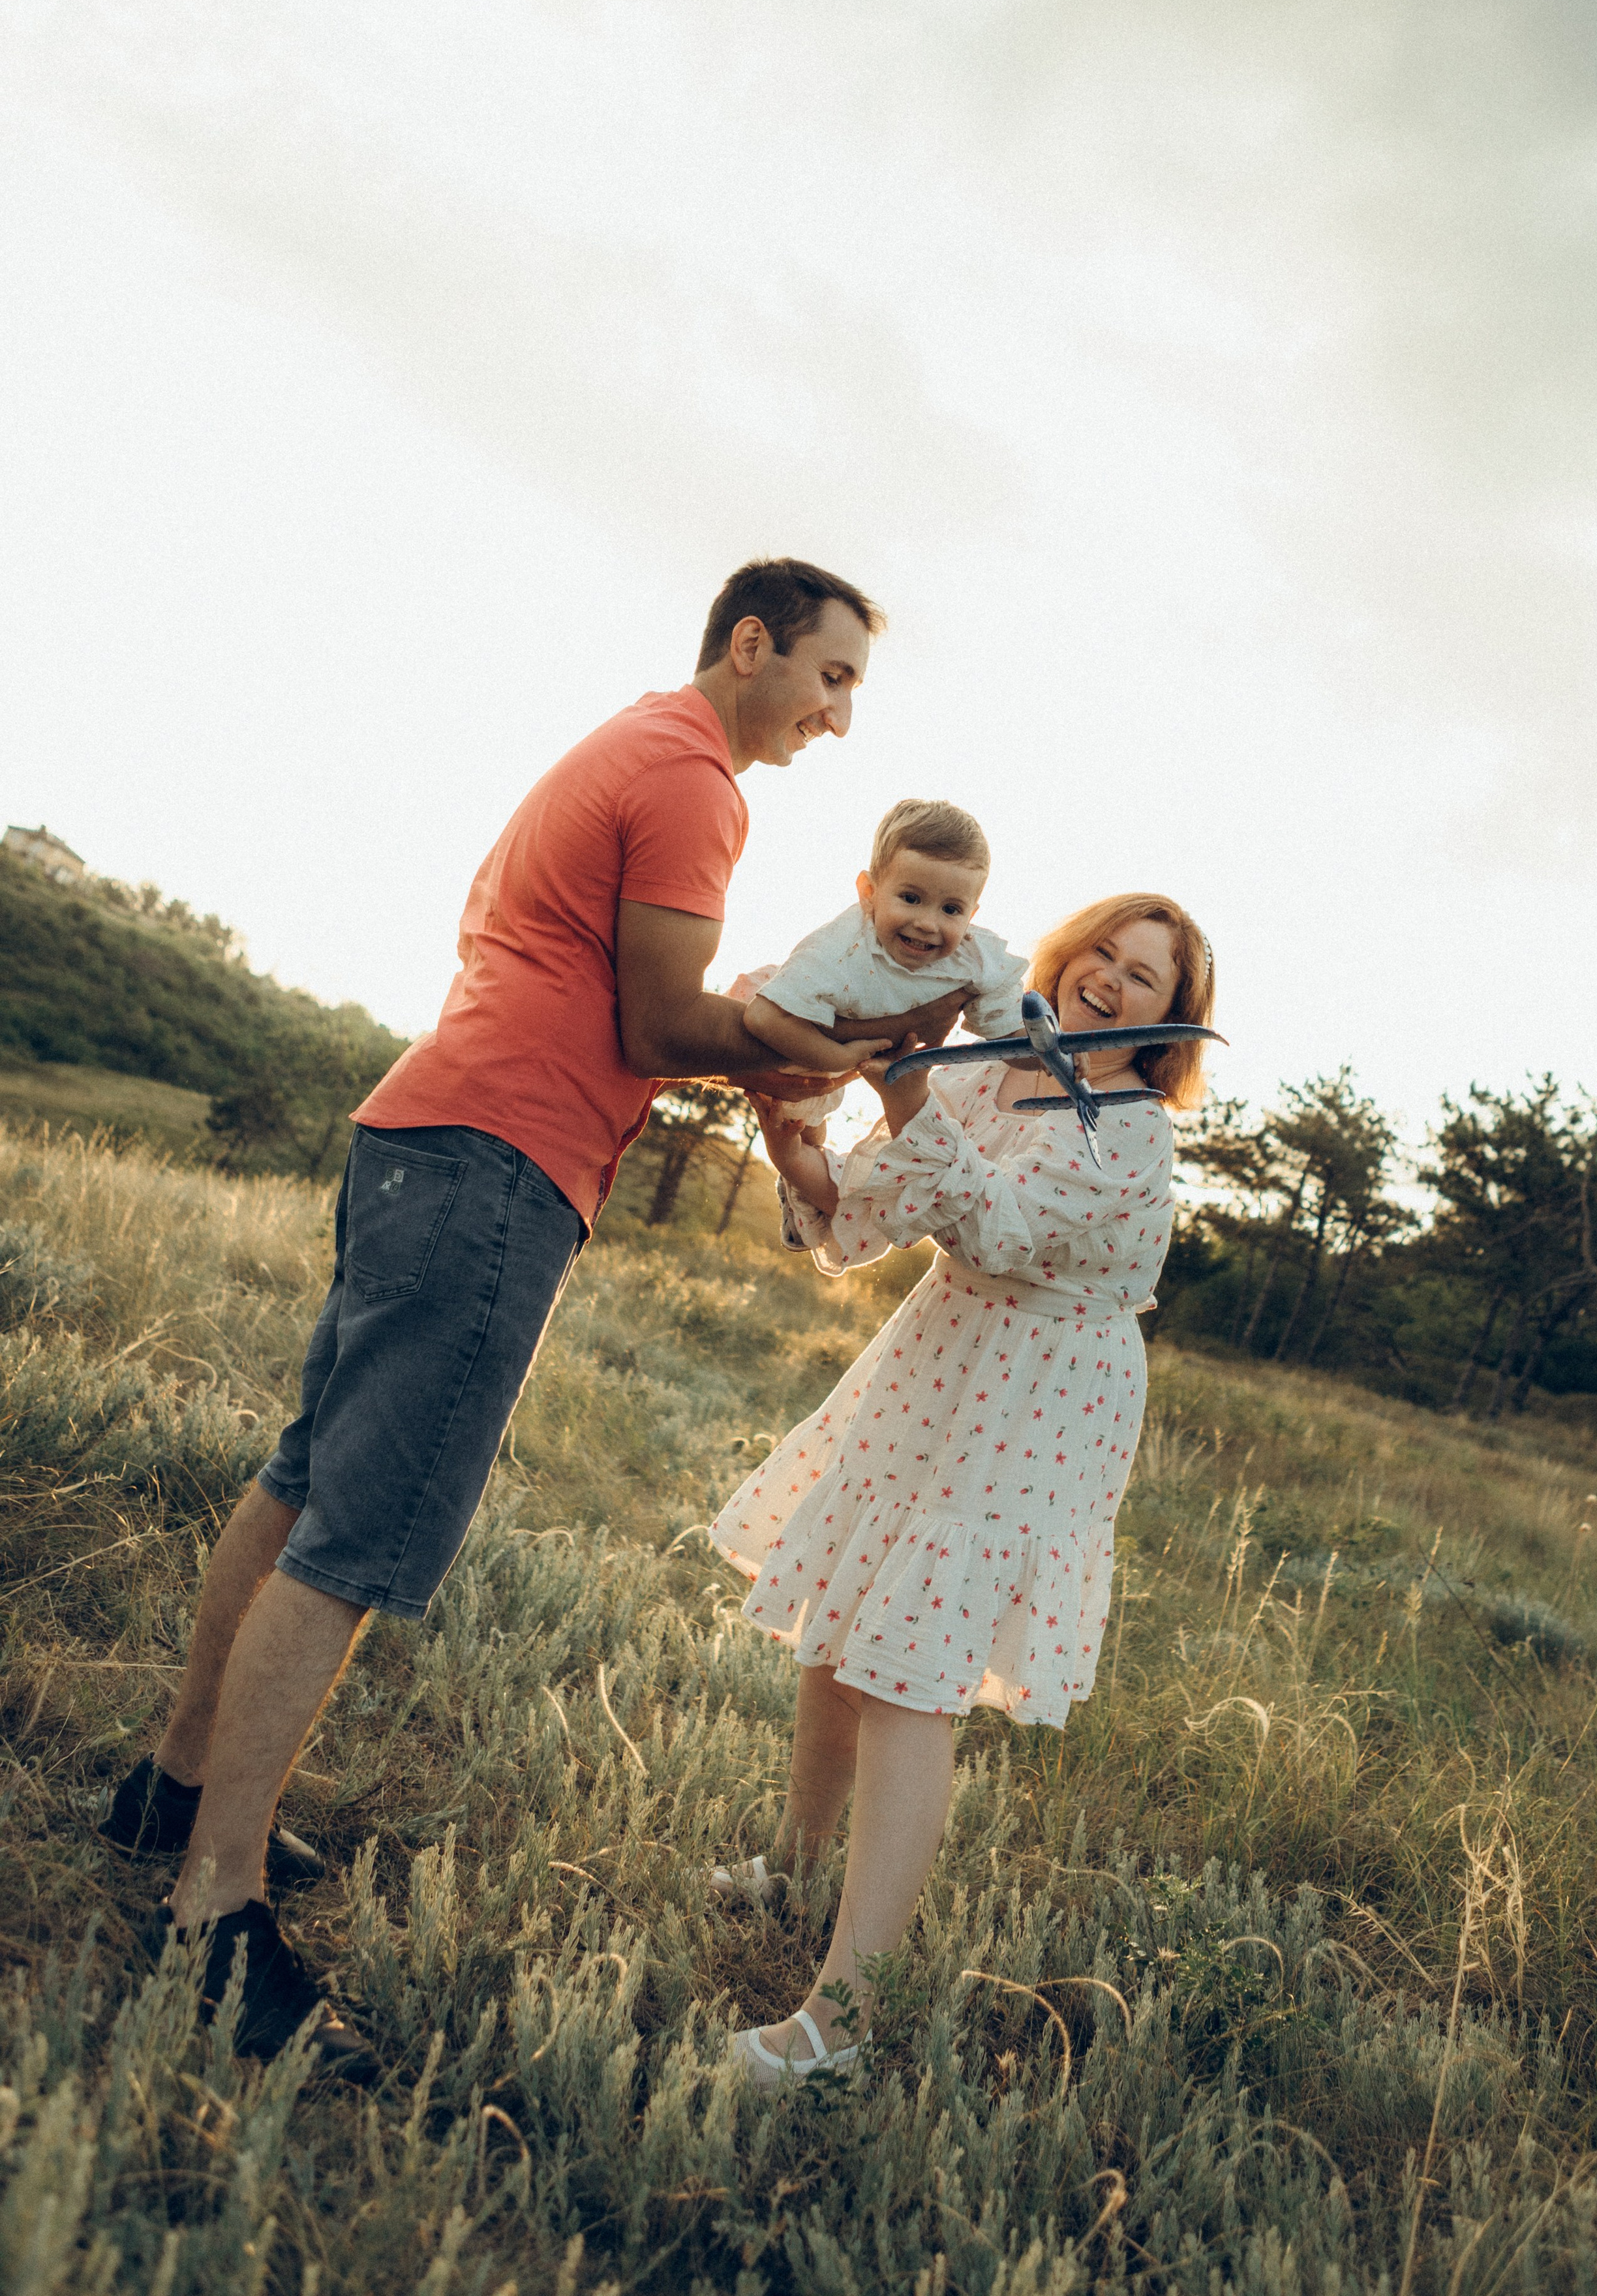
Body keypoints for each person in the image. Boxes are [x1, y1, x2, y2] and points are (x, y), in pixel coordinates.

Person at [99, 557, 975, 2079]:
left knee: (306, 1475)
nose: (839, 719)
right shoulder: (693, 777)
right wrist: (816, 1042)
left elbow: (627, 1000)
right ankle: (212, 1901)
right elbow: (654, 1022)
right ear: (752, 642)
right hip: (499, 1157)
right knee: (358, 1532)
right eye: (831, 678)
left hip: (430, 1127)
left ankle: (172, 1793)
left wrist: (772, 1042)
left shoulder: (631, 745)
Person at [708, 891, 1215, 2087]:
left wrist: (907, 1097)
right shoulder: (994, 1068)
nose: (1107, 978)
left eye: (1142, 978)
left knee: (911, 1671)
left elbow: (993, 1223)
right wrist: (805, 1160)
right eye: (1101, 950)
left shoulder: (1130, 1130)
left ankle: (843, 2017)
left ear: (1165, 1027)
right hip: (940, 1356)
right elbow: (877, 1212)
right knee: (841, 1620)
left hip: (1040, 1393)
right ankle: (794, 1866)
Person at [733, 799, 1027, 1131]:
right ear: (869, 891)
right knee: (790, 1124)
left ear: (972, 915)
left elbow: (1011, 1037)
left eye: (951, 910)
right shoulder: (839, 949)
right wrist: (839, 1058)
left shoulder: (976, 958)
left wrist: (1054, 1058)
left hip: (844, 1048)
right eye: (911, 899)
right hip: (793, 1019)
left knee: (804, 1136)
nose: (928, 923)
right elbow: (763, 1016)